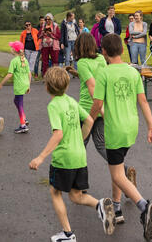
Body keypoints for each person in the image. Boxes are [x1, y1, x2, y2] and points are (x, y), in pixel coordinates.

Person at [29, 67, 116, 241]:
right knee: (76, 196)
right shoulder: (71, 101)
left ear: (47, 87)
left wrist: (41, 157)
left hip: (64, 159)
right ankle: (99, 204)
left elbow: (58, 134)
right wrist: (81, 137)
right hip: (79, 156)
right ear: (67, 86)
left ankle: (68, 234)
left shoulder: (53, 105)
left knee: (55, 192)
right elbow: (90, 119)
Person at [92, 34, 152, 241]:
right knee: (117, 167)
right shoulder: (132, 72)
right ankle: (118, 207)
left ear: (103, 51)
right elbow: (144, 102)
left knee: (117, 174)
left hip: (115, 129)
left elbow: (97, 103)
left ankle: (144, 206)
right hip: (132, 127)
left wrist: (89, 120)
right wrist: (151, 127)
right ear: (122, 49)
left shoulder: (104, 73)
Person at [72, 32, 136, 225]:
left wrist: (93, 112)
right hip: (102, 109)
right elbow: (98, 79)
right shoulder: (101, 58)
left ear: (78, 47)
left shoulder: (82, 63)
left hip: (87, 111)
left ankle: (80, 187)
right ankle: (123, 171)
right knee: (102, 146)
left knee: (79, 147)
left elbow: (92, 86)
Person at [0, 41, 32, 134]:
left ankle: (23, 125)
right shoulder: (24, 59)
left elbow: (9, 74)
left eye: (11, 47)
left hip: (19, 86)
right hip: (25, 84)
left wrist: (1, 83)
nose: (10, 48)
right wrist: (28, 85)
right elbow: (29, 73)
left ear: (14, 50)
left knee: (19, 104)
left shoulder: (14, 61)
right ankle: (24, 118)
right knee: (16, 101)